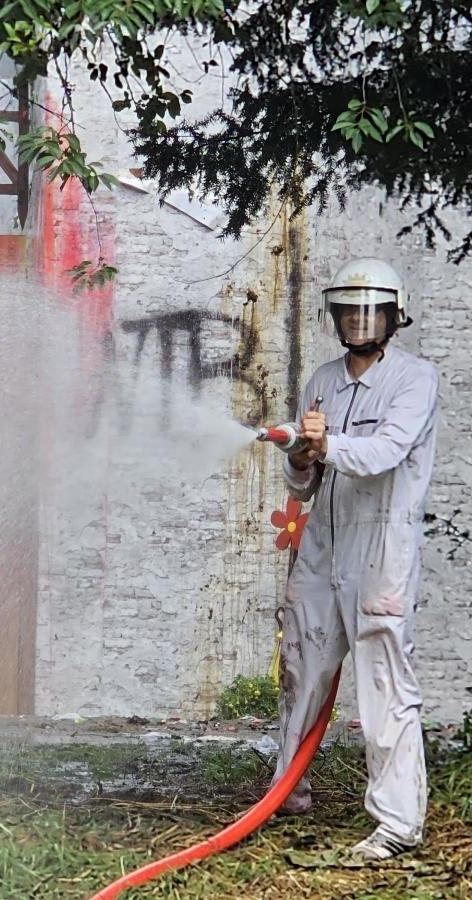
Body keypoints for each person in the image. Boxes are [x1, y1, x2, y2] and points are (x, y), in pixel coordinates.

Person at [274, 258, 439, 861]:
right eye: (347, 310)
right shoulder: (322, 379)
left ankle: (397, 823)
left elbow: (385, 452)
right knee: (301, 667)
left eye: (369, 310)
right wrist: (300, 455)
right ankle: (286, 794)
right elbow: (303, 486)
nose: (357, 319)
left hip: (381, 546)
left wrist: (327, 444)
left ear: (395, 316)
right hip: (323, 544)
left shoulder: (414, 379)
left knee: (383, 679)